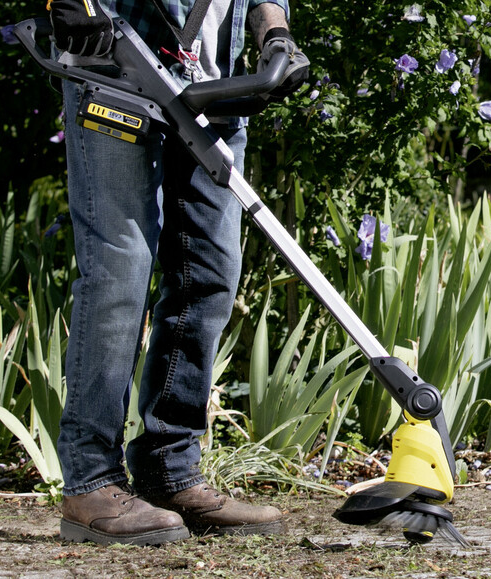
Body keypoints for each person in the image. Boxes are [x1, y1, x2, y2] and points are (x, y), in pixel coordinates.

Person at [46, 0, 307, 546]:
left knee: (209, 273)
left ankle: (170, 469)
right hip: (116, 71)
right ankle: (90, 481)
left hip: (213, 89)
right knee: (120, 269)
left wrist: (276, 37)